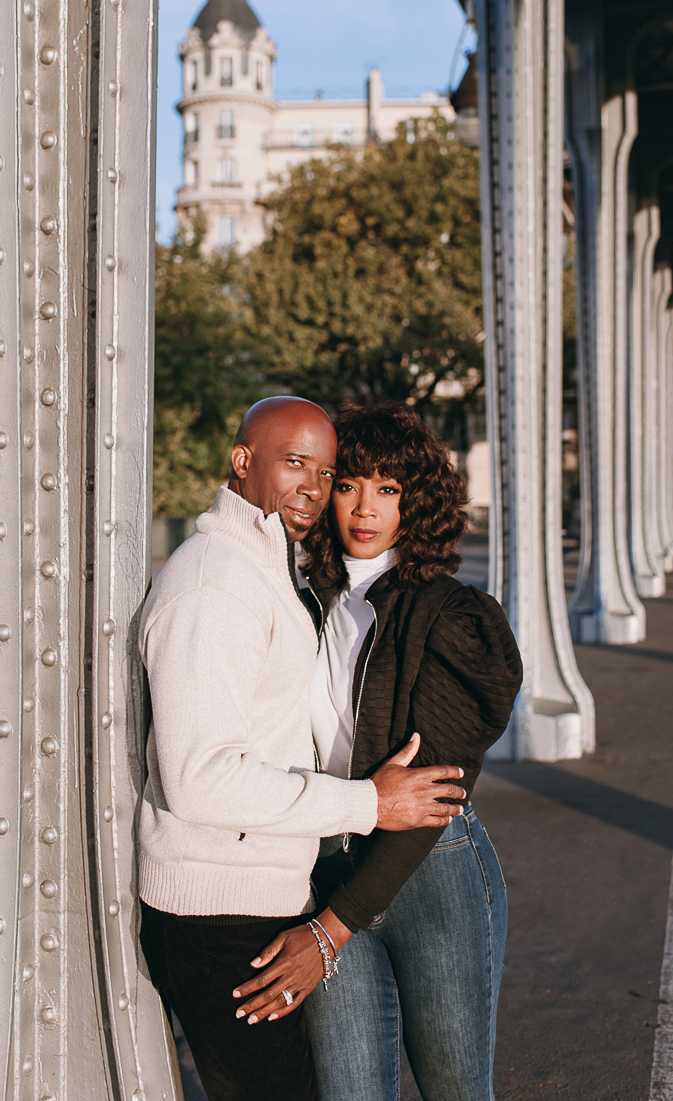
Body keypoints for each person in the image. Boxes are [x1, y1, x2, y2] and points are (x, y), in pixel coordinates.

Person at [138, 397, 468, 1101]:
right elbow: (198, 777)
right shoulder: (213, 583)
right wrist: (367, 803)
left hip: (263, 889)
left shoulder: (271, 570)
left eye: (326, 473)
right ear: (242, 461)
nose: (315, 491)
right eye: (296, 465)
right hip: (218, 909)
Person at [232, 402, 523, 1101]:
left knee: (455, 1090)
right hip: (330, 863)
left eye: (388, 490)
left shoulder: (452, 616)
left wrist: (327, 934)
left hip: (431, 877)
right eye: (350, 484)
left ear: (414, 502)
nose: (366, 509)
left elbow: (430, 798)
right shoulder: (305, 595)